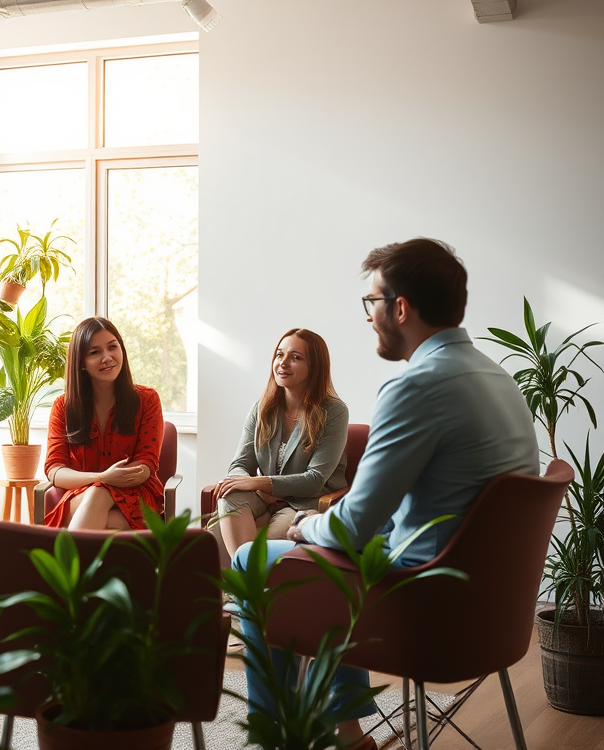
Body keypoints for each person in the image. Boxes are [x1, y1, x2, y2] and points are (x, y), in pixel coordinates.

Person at [233, 238, 539, 749]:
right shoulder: (498, 378)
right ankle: (349, 734)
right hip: (492, 611)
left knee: (251, 559)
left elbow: (352, 524)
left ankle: (271, 739)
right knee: (337, 559)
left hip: (423, 607)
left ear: (400, 308)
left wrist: (304, 525)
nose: (369, 316)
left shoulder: (416, 386)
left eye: (371, 303)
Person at [213, 328, 348, 557]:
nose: (283, 363)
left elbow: (314, 480)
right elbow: (240, 464)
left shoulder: (333, 411)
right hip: (264, 499)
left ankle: (248, 585)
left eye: (296, 357)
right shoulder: (262, 407)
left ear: (315, 366)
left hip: (305, 504)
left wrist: (260, 483)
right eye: (279, 354)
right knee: (229, 496)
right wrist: (246, 482)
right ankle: (250, 584)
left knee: (258, 541)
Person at [44, 317, 165, 530]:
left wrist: (105, 484)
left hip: (138, 495)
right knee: (96, 493)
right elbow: (55, 470)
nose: (107, 357)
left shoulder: (147, 400)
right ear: (81, 362)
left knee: (97, 497)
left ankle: (69, 563)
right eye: (95, 352)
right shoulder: (63, 407)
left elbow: (146, 465)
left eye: (112, 347)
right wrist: (102, 478)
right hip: (81, 494)